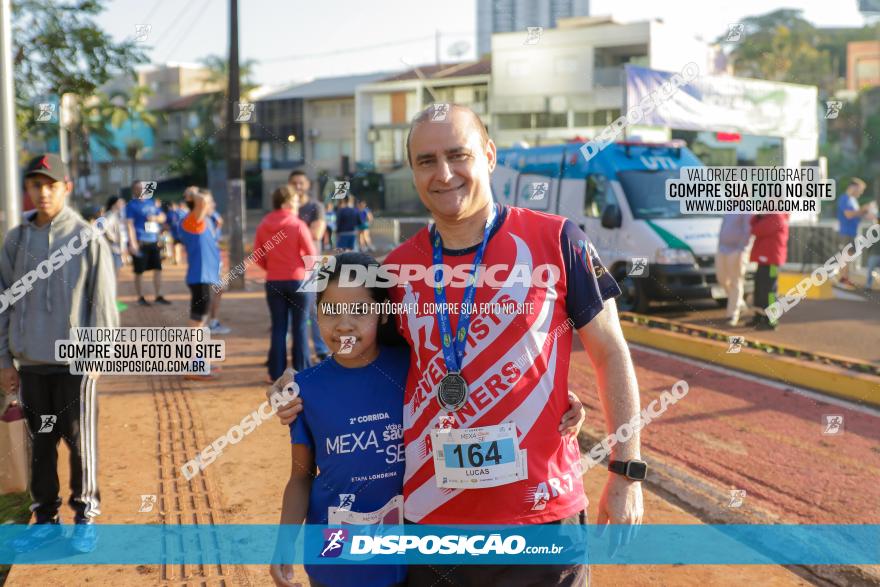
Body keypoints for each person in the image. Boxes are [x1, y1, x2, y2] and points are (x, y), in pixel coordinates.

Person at [273, 104, 642, 585]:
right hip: (433, 520)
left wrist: (626, 471)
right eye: (426, 161)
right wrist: (294, 384)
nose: (444, 174)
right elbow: (358, 356)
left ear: (489, 155)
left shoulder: (558, 240)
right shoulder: (397, 270)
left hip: (540, 515)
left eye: (458, 154)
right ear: (413, 171)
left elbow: (611, 351)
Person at [1, 154, 118, 554]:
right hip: (32, 362)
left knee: (80, 440)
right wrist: (4, 361)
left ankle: (85, 517)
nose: (43, 192)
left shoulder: (87, 236)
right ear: (28, 190)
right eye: (36, 185)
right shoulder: (16, 241)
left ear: (65, 187)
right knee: (41, 443)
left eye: (51, 185)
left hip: (76, 361)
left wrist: (100, 356)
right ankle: (46, 518)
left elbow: (102, 302)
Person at [270, 251, 409, 587]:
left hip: (403, 559)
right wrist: (284, 544)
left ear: (384, 314)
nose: (344, 324)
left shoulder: (412, 368)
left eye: (360, 311)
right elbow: (301, 478)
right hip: (335, 562)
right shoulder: (304, 388)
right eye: (331, 311)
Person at [256, 186, 316, 381]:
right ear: (287, 203)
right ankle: (302, 372)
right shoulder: (297, 224)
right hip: (298, 281)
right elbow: (311, 254)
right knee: (299, 328)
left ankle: (275, 372)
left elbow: (258, 255)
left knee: (279, 327)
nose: (298, 204)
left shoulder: (264, 224)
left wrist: (272, 268)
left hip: (274, 281)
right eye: (296, 201)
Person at [179, 189, 223, 380]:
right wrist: (193, 193)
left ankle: (199, 362)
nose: (212, 204)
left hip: (205, 278)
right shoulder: (193, 221)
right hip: (200, 278)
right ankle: (193, 366)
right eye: (210, 201)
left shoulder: (204, 221)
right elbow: (202, 203)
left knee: (200, 324)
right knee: (196, 325)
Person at [290, 171, 331, 362]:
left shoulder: (316, 206)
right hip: (290, 265)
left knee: (315, 308)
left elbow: (317, 233)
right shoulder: (287, 207)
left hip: (312, 263)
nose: (298, 186)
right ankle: (291, 350)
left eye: (301, 183)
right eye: (294, 183)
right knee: (290, 309)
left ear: (307, 185)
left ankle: (321, 349)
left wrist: (290, 227)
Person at [126, 180, 171, 306]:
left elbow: (163, 217)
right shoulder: (131, 205)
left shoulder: (151, 203)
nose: (141, 190)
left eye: (142, 187)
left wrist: (155, 218)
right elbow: (129, 225)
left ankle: (158, 295)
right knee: (139, 271)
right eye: (138, 188)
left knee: (158, 269)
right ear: (134, 190)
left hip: (153, 240)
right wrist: (133, 243)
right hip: (141, 241)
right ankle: (140, 297)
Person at [749, 213, 789, 330]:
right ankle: (759, 317)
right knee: (760, 290)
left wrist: (759, 217)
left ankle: (771, 320)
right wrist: (758, 217)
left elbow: (756, 230)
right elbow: (753, 224)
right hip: (764, 259)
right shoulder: (769, 216)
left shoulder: (776, 217)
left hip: (772, 261)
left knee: (770, 291)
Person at [715, 214, 752, 326]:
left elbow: (748, 231)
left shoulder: (747, 209)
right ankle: (739, 303)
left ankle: (733, 315)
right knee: (722, 279)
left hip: (737, 251)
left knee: (735, 281)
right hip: (722, 249)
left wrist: (742, 251)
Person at [836, 178, 871, 288]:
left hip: (852, 232)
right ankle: (843, 279)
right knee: (845, 256)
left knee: (849, 256)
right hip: (845, 232)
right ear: (853, 188)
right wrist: (863, 210)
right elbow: (849, 214)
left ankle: (845, 278)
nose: (861, 193)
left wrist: (867, 214)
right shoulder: (844, 199)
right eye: (860, 190)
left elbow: (857, 214)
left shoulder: (853, 200)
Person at [206, 207, 231, 335]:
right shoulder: (203, 219)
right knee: (214, 290)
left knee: (216, 289)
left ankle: (211, 322)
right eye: (210, 202)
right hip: (209, 259)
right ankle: (211, 323)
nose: (213, 205)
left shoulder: (211, 216)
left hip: (214, 258)